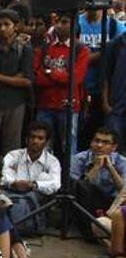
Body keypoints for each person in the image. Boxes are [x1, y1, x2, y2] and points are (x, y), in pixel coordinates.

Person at [34, 12, 90, 156]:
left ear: (74, 25)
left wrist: (49, 73)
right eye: (57, 22)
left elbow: (75, 79)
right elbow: (37, 77)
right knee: (42, 147)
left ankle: (70, 178)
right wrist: (60, 76)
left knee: (68, 147)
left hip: (68, 106)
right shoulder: (45, 47)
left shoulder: (81, 49)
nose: (59, 25)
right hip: (45, 105)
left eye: (64, 22)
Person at [0, 9, 33, 153]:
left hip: (15, 104)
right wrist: (13, 79)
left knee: (12, 147)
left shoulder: (24, 49)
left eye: (6, 24)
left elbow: (27, 81)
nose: (2, 28)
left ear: (15, 26)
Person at [78, 8, 126, 146]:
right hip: (84, 91)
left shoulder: (115, 26)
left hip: (110, 97)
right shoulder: (77, 23)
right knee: (87, 136)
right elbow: (105, 74)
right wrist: (105, 102)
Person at [71, 127, 126, 219]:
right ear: (91, 143)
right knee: (80, 185)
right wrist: (96, 167)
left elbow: (123, 190)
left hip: (113, 203)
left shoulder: (122, 161)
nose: (99, 145)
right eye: (96, 141)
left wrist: (110, 168)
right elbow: (77, 188)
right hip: (86, 203)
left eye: (105, 142)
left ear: (114, 147)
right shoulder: (78, 159)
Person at [1, 120, 62, 196]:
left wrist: (34, 185)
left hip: (39, 200)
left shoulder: (53, 161)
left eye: (40, 138)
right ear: (26, 139)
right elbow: (0, 175)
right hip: (12, 194)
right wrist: (13, 183)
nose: (35, 141)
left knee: (45, 178)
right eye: (32, 137)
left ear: (46, 143)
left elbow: (56, 185)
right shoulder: (13, 155)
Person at [102, 25, 126, 147]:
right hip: (115, 106)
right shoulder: (115, 45)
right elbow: (105, 76)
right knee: (112, 145)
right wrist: (106, 103)